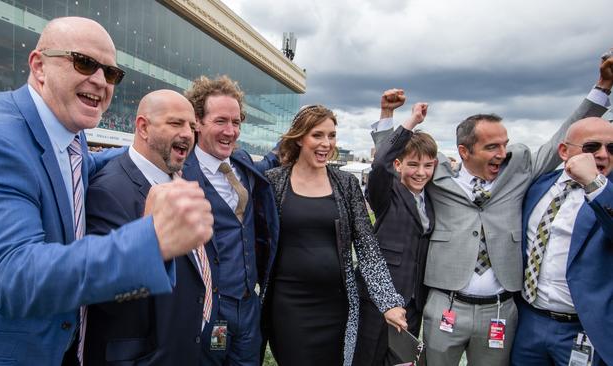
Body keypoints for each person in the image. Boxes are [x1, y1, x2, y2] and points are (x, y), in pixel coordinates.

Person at [0, 17, 213, 365]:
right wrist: (151, 240)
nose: (99, 80)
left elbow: (77, 169)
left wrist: (150, 153)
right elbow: (14, 276)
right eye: (83, 62)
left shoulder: (70, 132)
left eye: (110, 73)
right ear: (39, 66)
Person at [371, 54, 613, 366]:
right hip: (446, 303)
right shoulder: (437, 174)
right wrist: (387, 115)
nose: (503, 153)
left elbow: (565, 138)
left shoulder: (520, 169)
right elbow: (389, 162)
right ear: (464, 151)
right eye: (492, 147)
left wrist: (602, 87)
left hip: (501, 310)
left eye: (505, 144)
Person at [264, 105, 408, 366]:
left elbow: (367, 247)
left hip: (336, 304)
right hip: (288, 304)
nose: (326, 143)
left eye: (331, 136)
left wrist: (388, 302)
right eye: (317, 135)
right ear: (299, 138)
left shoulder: (345, 183)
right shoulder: (274, 181)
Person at [82, 89, 213, 365]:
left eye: (191, 126)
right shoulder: (109, 190)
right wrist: (148, 240)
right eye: (176, 123)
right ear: (143, 127)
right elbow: (107, 294)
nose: (189, 134)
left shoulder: (178, 179)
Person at [182, 75, 280, 366]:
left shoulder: (244, 163)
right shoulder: (181, 173)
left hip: (249, 306)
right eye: (221, 121)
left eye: (236, 122)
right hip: (213, 310)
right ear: (197, 121)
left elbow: (274, 158)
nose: (231, 131)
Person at [511, 117, 613, 366]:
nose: (602, 155)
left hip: (584, 329)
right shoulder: (540, 185)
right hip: (529, 321)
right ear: (564, 151)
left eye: (611, 148)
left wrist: (595, 185)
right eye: (591, 147)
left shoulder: (607, 192)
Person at [354, 98, 437, 366]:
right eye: (413, 164)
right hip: (377, 300)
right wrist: (411, 121)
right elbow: (380, 163)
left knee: (402, 362)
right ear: (399, 165)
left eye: (428, 166)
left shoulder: (433, 199)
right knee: (366, 359)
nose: (421, 173)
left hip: (413, 304)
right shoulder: (387, 195)